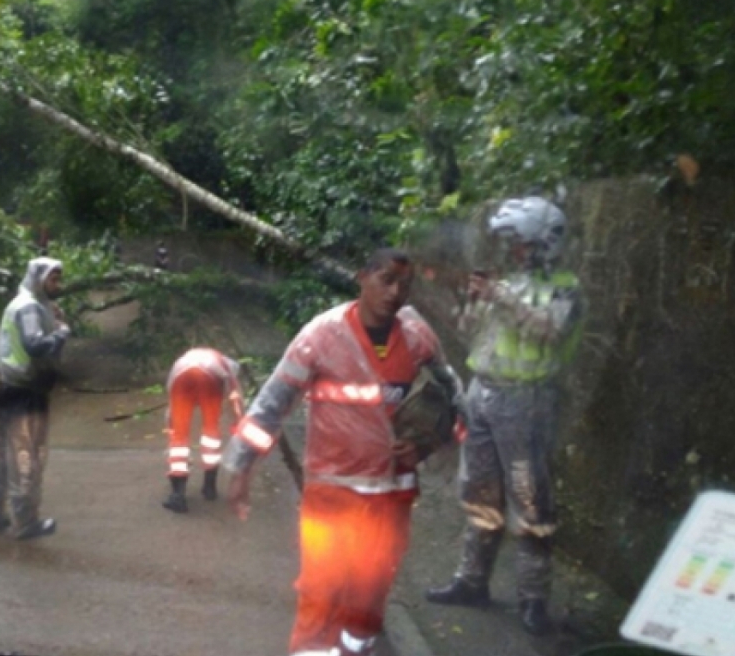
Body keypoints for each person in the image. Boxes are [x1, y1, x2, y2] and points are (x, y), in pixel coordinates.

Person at [222, 248, 463, 656]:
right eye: (386, 280)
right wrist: (242, 465)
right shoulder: (322, 336)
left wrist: (425, 443)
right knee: (321, 589)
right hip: (333, 493)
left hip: (392, 494)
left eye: (405, 285)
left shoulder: (417, 336)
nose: (395, 292)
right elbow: (273, 402)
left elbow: (455, 396)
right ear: (361, 277)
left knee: (372, 592)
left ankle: (356, 650)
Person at [425, 196, 584, 636]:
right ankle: (471, 581)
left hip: (527, 400)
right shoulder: (509, 281)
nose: (514, 252)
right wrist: (475, 300)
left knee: (528, 497)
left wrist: (502, 296)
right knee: (479, 492)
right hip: (484, 392)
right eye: (512, 244)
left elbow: (551, 331)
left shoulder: (564, 286)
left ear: (543, 244)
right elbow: (467, 330)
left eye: (522, 244)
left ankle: (533, 599)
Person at [0, 257, 71, 541]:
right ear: (38, 277)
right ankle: (26, 522)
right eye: (53, 278)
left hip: (9, 389)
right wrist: (62, 333)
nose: (58, 284)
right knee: (27, 459)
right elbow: (35, 345)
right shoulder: (30, 308)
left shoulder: (24, 304)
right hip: (27, 393)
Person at [161, 347, 246, 513]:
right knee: (211, 432)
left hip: (180, 378)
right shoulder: (226, 367)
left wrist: (171, 429)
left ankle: (178, 494)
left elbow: (170, 408)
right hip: (209, 380)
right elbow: (236, 399)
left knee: (179, 437)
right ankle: (209, 487)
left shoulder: (182, 361)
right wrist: (238, 423)